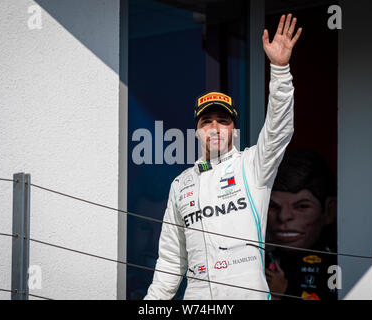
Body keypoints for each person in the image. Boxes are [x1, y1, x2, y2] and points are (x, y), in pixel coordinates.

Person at [144, 14, 302, 300]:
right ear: (196, 132)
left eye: (223, 121)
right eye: (207, 122)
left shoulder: (252, 165)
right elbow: (170, 260)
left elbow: (279, 128)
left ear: (234, 130)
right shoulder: (181, 184)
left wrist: (280, 69)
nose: (215, 128)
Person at [265, 149, 338, 300]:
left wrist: (283, 293)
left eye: (302, 206)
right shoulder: (259, 259)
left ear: (329, 210)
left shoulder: (337, 261)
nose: (283, 216)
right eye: (273, 206)